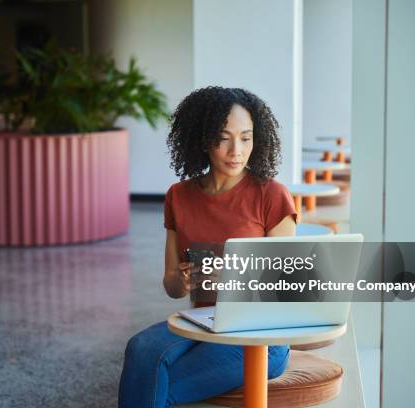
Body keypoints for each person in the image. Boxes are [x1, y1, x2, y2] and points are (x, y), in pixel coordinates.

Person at [118, 87, 297, 407]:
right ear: (203, 139)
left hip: (259, 335)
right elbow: (172, 286)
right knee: (141, 348)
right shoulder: (178, 196)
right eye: (223, 137)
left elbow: (287, 287)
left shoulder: (272, 195)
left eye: (246, 137)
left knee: (158, 387)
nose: (236, 150)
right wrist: (182, 280)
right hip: (204, 321)